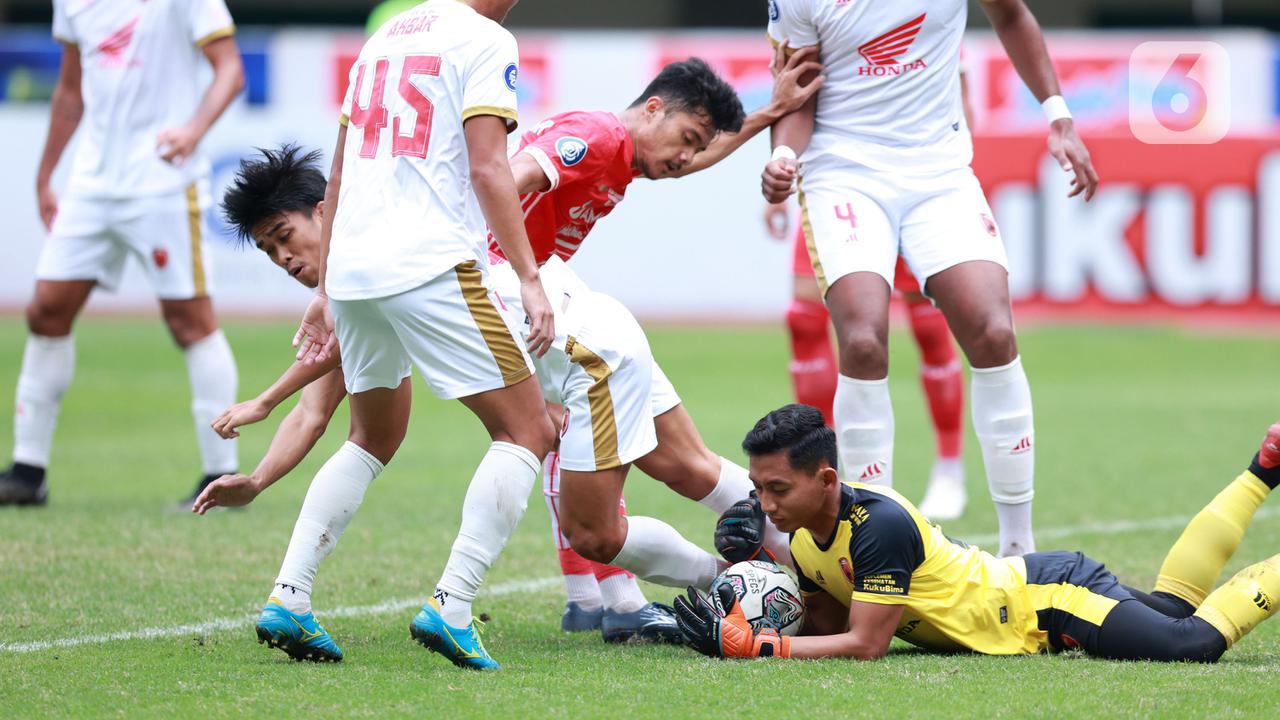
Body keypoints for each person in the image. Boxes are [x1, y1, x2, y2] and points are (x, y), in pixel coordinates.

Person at [197, 143, 751, 659]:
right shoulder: (361, 275)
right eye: (269, 251)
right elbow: (316, 405)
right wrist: (258, 476)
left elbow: (501, 170)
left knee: (646, 483)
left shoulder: (384, 259)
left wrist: (266, 400)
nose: (283, 257)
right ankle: (308, 596)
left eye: (282, 236)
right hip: (565, 369)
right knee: (387, 440)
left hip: (598, 354)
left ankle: (775, 558)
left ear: (325, 210)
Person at [760, 0, 1099, 557]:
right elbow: (798, 90)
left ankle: (1021, 550)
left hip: (938, 171)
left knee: (993, 334)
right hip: (844, 173)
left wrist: (1058, 116)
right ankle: (875, 546)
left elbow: (1011, 15)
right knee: (865, 340)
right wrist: (783, 156)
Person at [495, 51, 820, 631]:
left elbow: (695, 158)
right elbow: (502, 179)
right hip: (515, 286)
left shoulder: (626, 151)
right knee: (582, 426)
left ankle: (597, 601)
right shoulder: (594, 137)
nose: (687, 158)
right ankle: (693, 586)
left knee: (668, 454)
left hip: (543, 282)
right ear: (652, 108)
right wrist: (523, 276)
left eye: (696, 146)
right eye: (686, 138)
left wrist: (772, 110)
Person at [277, 0, 557, 670]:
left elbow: (339, 174)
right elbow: (490, 169)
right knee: (530, 432)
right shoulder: (486, 38)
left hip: (354, 271)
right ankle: (452, 605)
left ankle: (289, 595)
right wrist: (527, 275)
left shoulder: (385, 38)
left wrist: (324, 288)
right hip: (430, 263)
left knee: (372, 435)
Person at [676, 404, 1280, 664]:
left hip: (1047, 602)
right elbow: (829, 627)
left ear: (826, 478)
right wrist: (751, 582)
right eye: (758, 488)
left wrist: (757, 648)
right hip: (1032, 602)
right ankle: (1266, 469)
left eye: (778, 488)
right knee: (1172, 608)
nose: (764, 502)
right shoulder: (806, 540)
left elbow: (865, 644)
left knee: (1188, 645)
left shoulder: (877, 525)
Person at [0, 0, 245, 507]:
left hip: (164, 179)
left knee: (189, 321)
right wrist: (47, 173)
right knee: (46, 310)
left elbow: (231, 70)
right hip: (93, 184)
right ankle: (28, 473)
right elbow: (71, 92)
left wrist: (194, 129)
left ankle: (219, 474)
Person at [763, 48, 978, 520]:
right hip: (836, 186)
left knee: (927, 326)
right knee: (803, 320)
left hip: (913, 184)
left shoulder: (924, 17)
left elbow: (961, 99)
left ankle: (949, 469)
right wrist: (782, 177)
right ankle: (823, 463)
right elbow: (796, 97)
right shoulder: (820, 16)